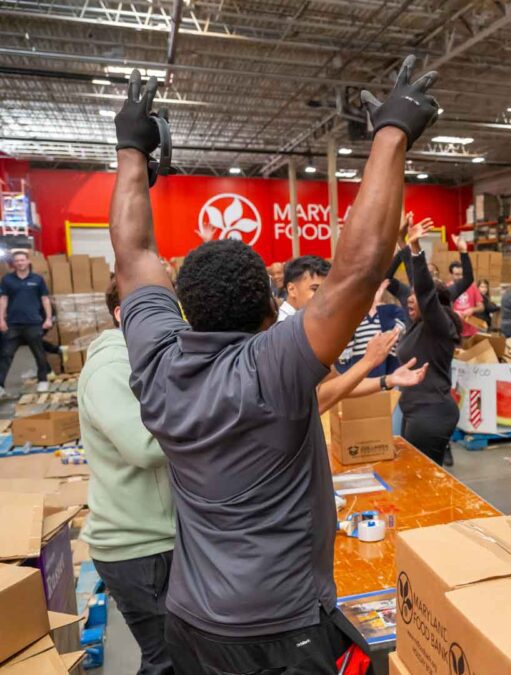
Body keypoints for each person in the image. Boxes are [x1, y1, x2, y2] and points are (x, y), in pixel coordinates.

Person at [110, 58, 439, 671]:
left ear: (185, 307)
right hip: (282, 628)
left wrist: (133, 152)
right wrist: (393, 134)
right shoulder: (273, 367)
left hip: (191, 622)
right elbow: (361, 271)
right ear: (270, 312)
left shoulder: (156, 360)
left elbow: (133, 253)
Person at [80, 279, 174, 675]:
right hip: (137, 545)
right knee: (167, 660)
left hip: (154, 535)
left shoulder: (143, 358)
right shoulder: (111, 368)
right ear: (123, 314)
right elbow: (145, 447)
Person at [397, 217, 464, 466]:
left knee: (421, 475)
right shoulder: (419, 325)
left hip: (431, 412)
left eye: (416, 297)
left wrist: (416, 248)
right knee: (414, 474)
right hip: (415, 409)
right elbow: (418, 284)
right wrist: (401, 241)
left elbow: (424, 290)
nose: (410, 299)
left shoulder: (438, 325)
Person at [0, 250, 53, 395]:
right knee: (6, 354)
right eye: (17, 261)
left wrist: (48, 318)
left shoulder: (37, 279)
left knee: (39, 353)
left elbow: (45, 299)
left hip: (33, 323)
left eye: (22, 260)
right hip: (13, 324)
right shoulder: (7, 280)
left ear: (28, 261)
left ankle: (42, 380)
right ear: (14, 263)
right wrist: (1, 319)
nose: (20, 263)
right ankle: (0, 385)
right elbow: (3, 300)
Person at [336, 279, 406, 376]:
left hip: (389, 374)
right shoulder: (354, 315)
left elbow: (395, 334)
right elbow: (345, 352)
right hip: (359, 375)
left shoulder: (392, 310)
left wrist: (378, 304)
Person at [276, 255, 330, 322]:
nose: (323, 296)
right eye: (315, 289)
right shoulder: (284, 326)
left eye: (326, 291)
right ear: (291, 289)